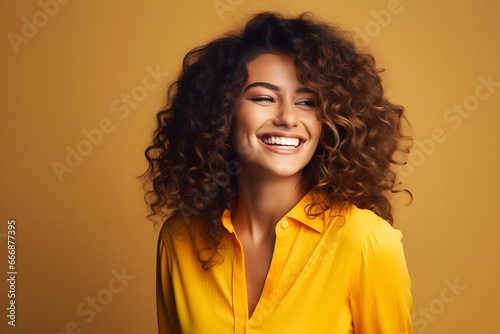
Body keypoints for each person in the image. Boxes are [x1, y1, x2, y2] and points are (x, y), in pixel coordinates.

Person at [143, 11, 413, 334]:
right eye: (264, 97)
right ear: (220, 112)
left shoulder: (367, 243)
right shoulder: (180, 238)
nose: (287, 117)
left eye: (308, 102)